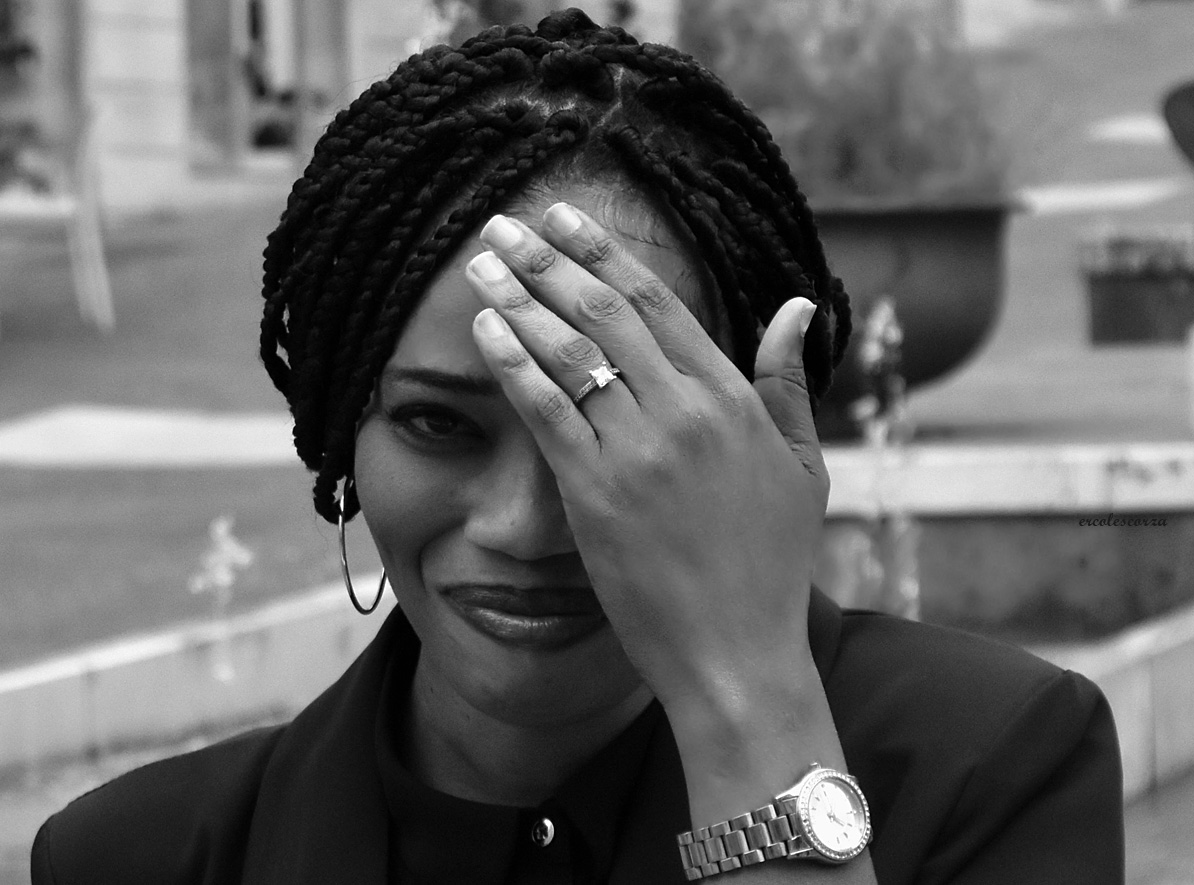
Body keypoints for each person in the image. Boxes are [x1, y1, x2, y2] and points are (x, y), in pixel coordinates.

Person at [31, 8, 1123, 884]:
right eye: (437, 424)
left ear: (738, 422)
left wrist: (743, 700)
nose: (523, 524)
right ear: (338, 430)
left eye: (606, 423)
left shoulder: (993, 764)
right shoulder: (143, 856)